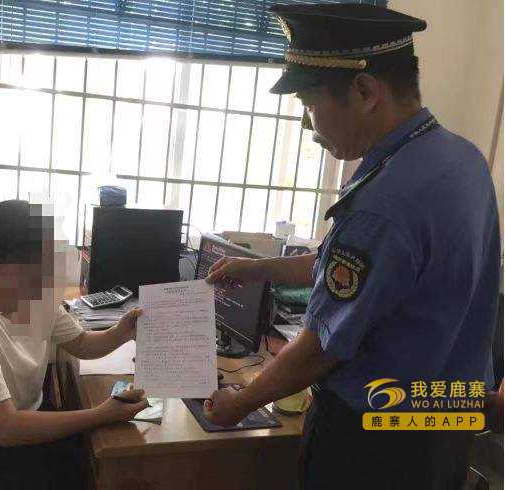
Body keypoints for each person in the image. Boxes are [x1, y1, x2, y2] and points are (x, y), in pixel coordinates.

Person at [204, 4, 500, 489]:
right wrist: (258, 269)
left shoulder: (383, 202)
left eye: (309, 103)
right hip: (447, 422)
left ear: (364, 91)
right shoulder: (461, 160)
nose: (309, 125)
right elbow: (357, 270)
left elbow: (320, 348)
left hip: (375, 443)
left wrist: (238, 402)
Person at [0, 199, 148, 489]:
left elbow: (82, 343)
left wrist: (122, 332)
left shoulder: (37, 298)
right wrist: (101, 414)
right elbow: (5, 429)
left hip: (28, 420)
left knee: (108, 459)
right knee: (96, 460)